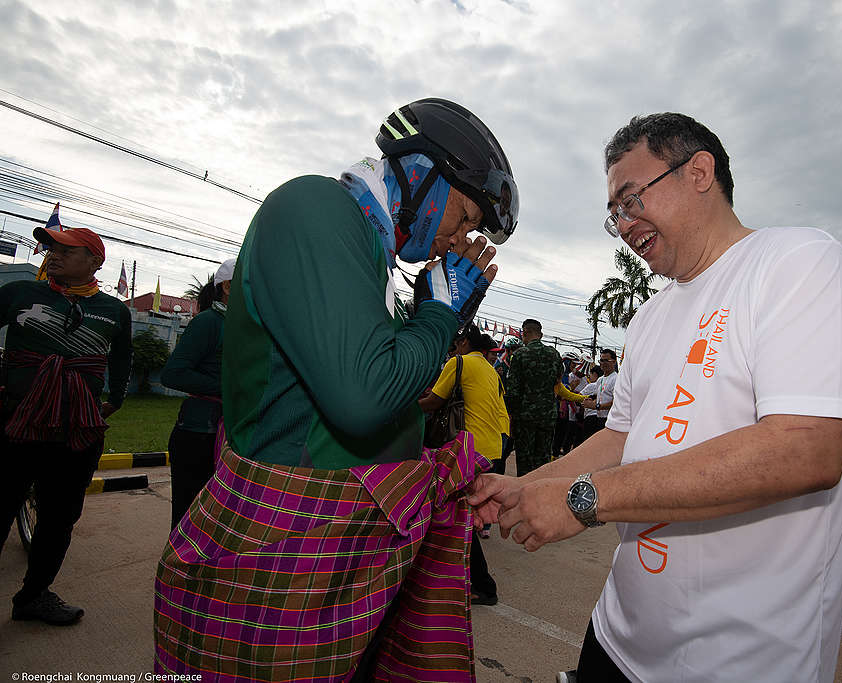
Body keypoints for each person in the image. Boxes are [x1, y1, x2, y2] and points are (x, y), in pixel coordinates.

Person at [470, 112, 842, 682]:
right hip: (618, 637)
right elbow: (620, 437)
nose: (623, 224)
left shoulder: (802, 264)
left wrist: (580, 500)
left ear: (698, 172)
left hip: (740, 665)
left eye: (631, 198)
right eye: (614, 213)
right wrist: (529, 486)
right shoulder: (650, 316)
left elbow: (805, 450)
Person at [153, 98, 518, 681]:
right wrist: (439, 315)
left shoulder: (367, 254)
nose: (459, 238)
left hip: (331, 544)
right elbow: (366, 396)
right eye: (466, 217)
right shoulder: (315, 207)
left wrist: (438, 314)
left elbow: (389, 386)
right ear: (421, 172)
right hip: (284, 548)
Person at [0, 227, 132, 626]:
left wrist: (115, 401)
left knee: (58, 519)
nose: (53, 254)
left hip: (75, 433)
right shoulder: (22, 293)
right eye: (51, 248)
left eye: (66, 250)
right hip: (14, 426)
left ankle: (33, 595)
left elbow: (121, 360)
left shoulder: (114, 310)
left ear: (94, 261)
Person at [419, 324, 508, 604]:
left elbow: (433, 402)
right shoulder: (490, 370)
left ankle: (484, 587)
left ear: (463, 342)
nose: (452, 349)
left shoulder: (459, 362)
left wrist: (402, 403)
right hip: (491, 448)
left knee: (458, 516)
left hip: (467, 450)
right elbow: (502, 411)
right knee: (461, 515)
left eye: (455, 343)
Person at [160, 257, 234, 529]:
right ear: (227, 286)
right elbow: (173, 374)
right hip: (199, 434)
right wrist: (230, 388)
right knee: (189, 518)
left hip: (230, 434)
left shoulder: (243, 326)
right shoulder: (208, 322)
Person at [505, 319, 586, 476]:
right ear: (540, 334)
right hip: (548, 416)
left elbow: (513, 391)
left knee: (524, 459)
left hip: (524, 417)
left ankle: (524, 493)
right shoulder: (554, 355)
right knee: (542, 458)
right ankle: (540, 491)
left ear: (525, 333)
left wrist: (511, 416)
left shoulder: (520, 355)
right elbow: (557, 381)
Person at [580, 349, 617, 440]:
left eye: (606, 360)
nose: (603, 363)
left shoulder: (616, 379)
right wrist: (589, 402)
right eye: (601, 360)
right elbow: (598, 397)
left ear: (614, 362)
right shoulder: (600, 379)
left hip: (610, 420)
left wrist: (596, 406)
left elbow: (616, 402)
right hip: (598, 418)